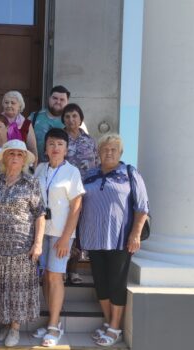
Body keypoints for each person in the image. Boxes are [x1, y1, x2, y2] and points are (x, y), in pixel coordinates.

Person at [78, 133, 149, 347]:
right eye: (105, 149)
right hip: (94, 238)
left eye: (113, 149)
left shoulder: (129, 173)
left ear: (120, 153)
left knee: (116, 283)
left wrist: (135, 234)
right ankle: (110, 324)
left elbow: (142, 207)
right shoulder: (89, 175)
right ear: (98, 153)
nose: (109, 152)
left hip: (120, 239)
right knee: (101, 282)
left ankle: (116, 326)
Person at [0, 139, 46, 347]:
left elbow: (40, 215)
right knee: (1, 287)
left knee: (18, 289)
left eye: (19, 155)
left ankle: (15, 328)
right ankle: (5, 324)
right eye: (11, 153)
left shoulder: (32, 183)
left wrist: (38, 244)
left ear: (24, 160)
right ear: (4, 158)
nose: (15, 157)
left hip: (21, 245)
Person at [32, 128, 85, 347]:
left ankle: (54, 326)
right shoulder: (40, 169)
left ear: (66, 148)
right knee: (46, 276)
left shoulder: (72, 172)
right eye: (51, 144)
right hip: (41, 231)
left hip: (61, 234)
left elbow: (76, 207)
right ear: (46, 147)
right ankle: (50, 321)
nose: (55, 148)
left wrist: (65, 238)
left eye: (60, 144)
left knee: (55, 276)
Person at [61, 103, 99, 284]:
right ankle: (60, 268)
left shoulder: (90, 141)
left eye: (74, 116)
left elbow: (97, 164)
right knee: (64, 228)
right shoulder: (59, 138)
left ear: (80, 119)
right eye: (67, 117)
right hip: (63, 192)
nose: (71, 120)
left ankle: (74, 270)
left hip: (85, 191)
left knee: (80, 231)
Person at [29, 86, 69, 162]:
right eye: (55, 98)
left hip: (61, 169)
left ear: (67, 102)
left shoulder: (71, 120)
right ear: (49, 98)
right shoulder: (33, 117)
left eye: (62, 99)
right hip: (36, 168)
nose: (58, 102)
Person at [1, 90, 38, 165]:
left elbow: (32, 149)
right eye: (6, 102)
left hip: (21, 164)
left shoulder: (26, 124)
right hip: (0, 162)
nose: (9, 105)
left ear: (19, 106)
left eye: (13, 103)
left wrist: (33, 170)